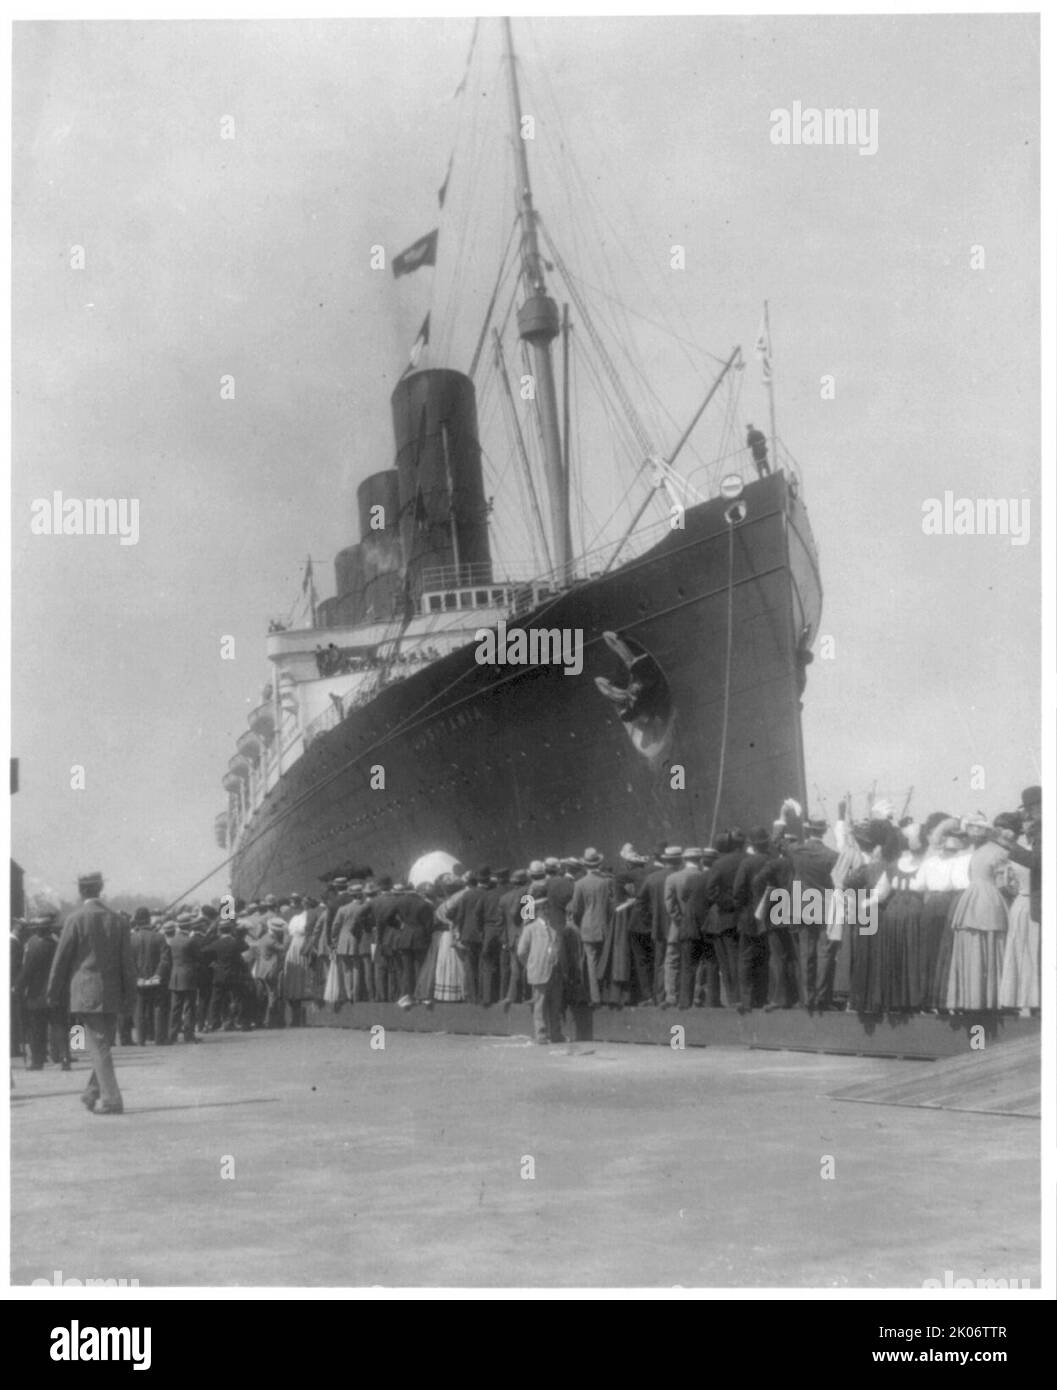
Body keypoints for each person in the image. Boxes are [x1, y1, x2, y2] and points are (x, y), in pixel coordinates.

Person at [46, 871, 136, 1115]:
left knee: (98, 1047)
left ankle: (112, 1100)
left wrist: (52, 992)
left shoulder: (75, 919)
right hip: (113, 993)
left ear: (80, 891)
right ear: (100, 889)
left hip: (86, 993)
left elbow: (61, 960)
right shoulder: (118, 920)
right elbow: (128, 964)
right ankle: (92, 1092)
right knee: (103, 1045)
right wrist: (131, 996)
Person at [945, 814, 1008, 1011]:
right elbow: (1003, 883)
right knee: (990, 942)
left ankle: (971, 998)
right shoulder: (1000, 852)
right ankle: (990, 998)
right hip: (990, 899)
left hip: (970, 900)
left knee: (972, 942)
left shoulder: (977, 853)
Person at [21, 914, 70, 1070]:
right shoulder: (59, 943)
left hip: (36, 994)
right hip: (58, 992)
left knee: (37, 1029)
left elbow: (27, 970)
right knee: (61, 1026)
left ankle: (38, 1060)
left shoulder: (33, 944)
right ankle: (65, 1056)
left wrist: (18, 987)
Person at [517, 883, 564, 1045]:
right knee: (540, 1005)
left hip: (553, 971)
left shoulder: (553, 929)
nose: (547, 911)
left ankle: (556, 1034)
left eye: (548, 909)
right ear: (538, 911)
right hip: (538, 970)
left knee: (554, 1005)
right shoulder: (530, 927)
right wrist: (530, 964)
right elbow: (522, 951)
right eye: (544, 909)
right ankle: (541, 1035)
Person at [663, 847, 708, 1009]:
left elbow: (670, 905)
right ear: (700, 860)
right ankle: (697, 996)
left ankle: (672, 995)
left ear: (683, 860)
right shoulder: (704, 877)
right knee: (700, 962)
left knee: (673, 960)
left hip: (677, 927)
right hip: (699, 927)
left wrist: (680, 920)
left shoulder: (672, 878)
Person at [570, 848, 615, 1007]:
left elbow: (575, 909)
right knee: (605, 961)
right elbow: (611, 906)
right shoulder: (606, 882)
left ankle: (595, 998)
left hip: (587, 927)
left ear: (585, 865)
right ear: (599, 863)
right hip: (604, 926)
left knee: (591, 962)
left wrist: (578, 922)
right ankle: (607, 995)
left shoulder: (579, 884)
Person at [165, 909, 202, 1043]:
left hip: (175, 976)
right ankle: (188, 1034)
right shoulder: (190, 941)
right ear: (189, 926)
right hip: (189, 976)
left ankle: (172, 1035)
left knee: (175, 1008)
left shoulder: (172, 940)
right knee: (189, 1007)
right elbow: (198, 957)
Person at [130, 907, 165, 1044]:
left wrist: (136, 977)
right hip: (155, 980)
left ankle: (141, 1039)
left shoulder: (131, 939)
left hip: (138, 980)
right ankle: (159, 1038)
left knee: (139, 1009)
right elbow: (165, 959)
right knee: (157, 1008)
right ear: (149, 919)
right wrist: (157, 975)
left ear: (136, 921)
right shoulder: (159, 937)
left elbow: (128, 961)